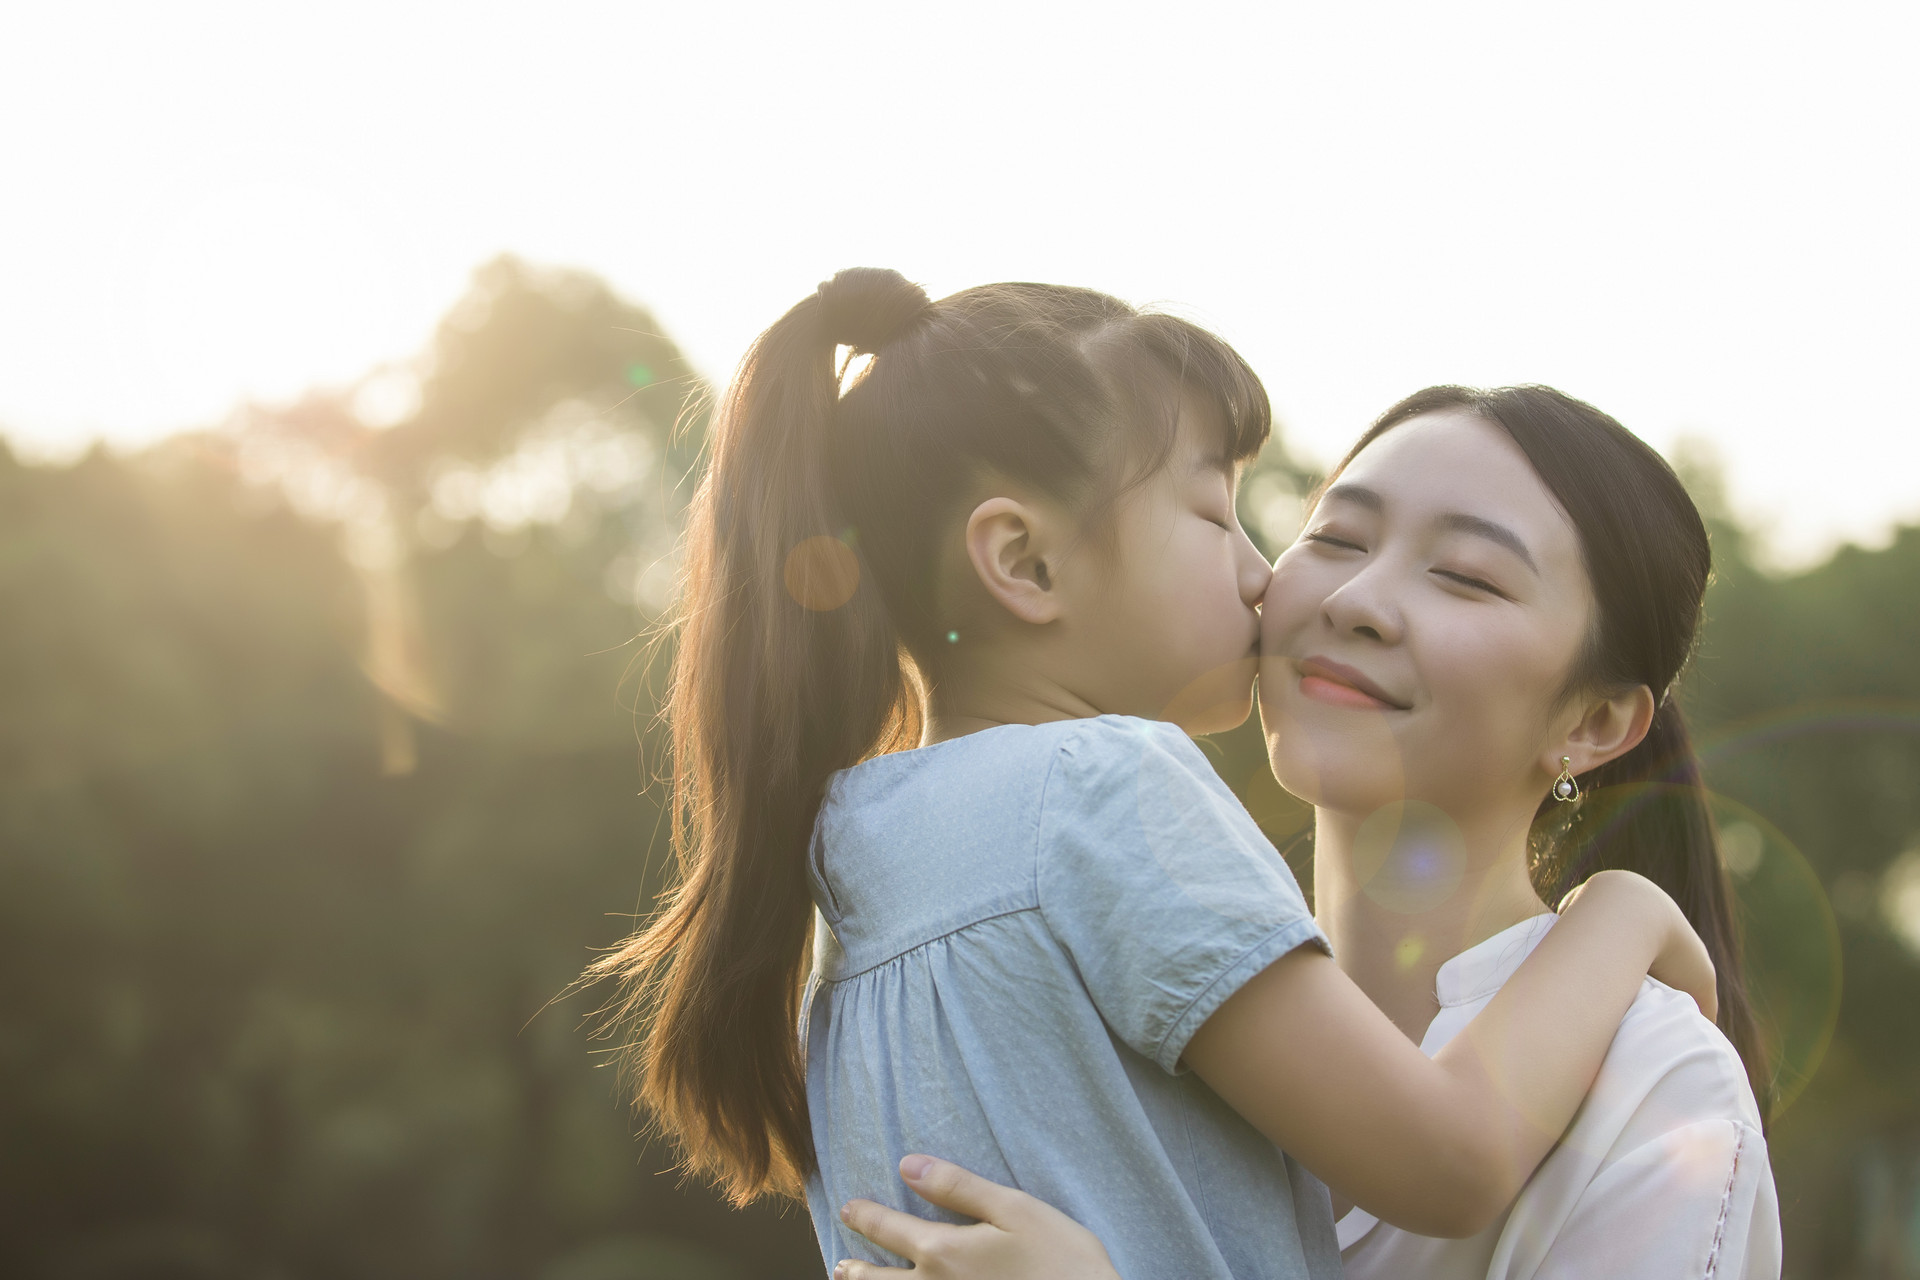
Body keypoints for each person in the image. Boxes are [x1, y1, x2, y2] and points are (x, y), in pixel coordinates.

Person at [585, 274, 1717, 1280]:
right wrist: (1621, 908)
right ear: (1025, 562)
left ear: (1600, 719)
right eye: (1217, 514)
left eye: (1464, 574)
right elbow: (1454, 1160)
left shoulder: (853, 853)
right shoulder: (1107, 786)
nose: (1265, 577)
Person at [830, 385, 1781, 1279]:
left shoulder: (1657, 1090)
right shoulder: (1106, 1001)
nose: (1354, 600)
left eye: (1466, 577)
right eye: (1335, 538)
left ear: (1596, 723)